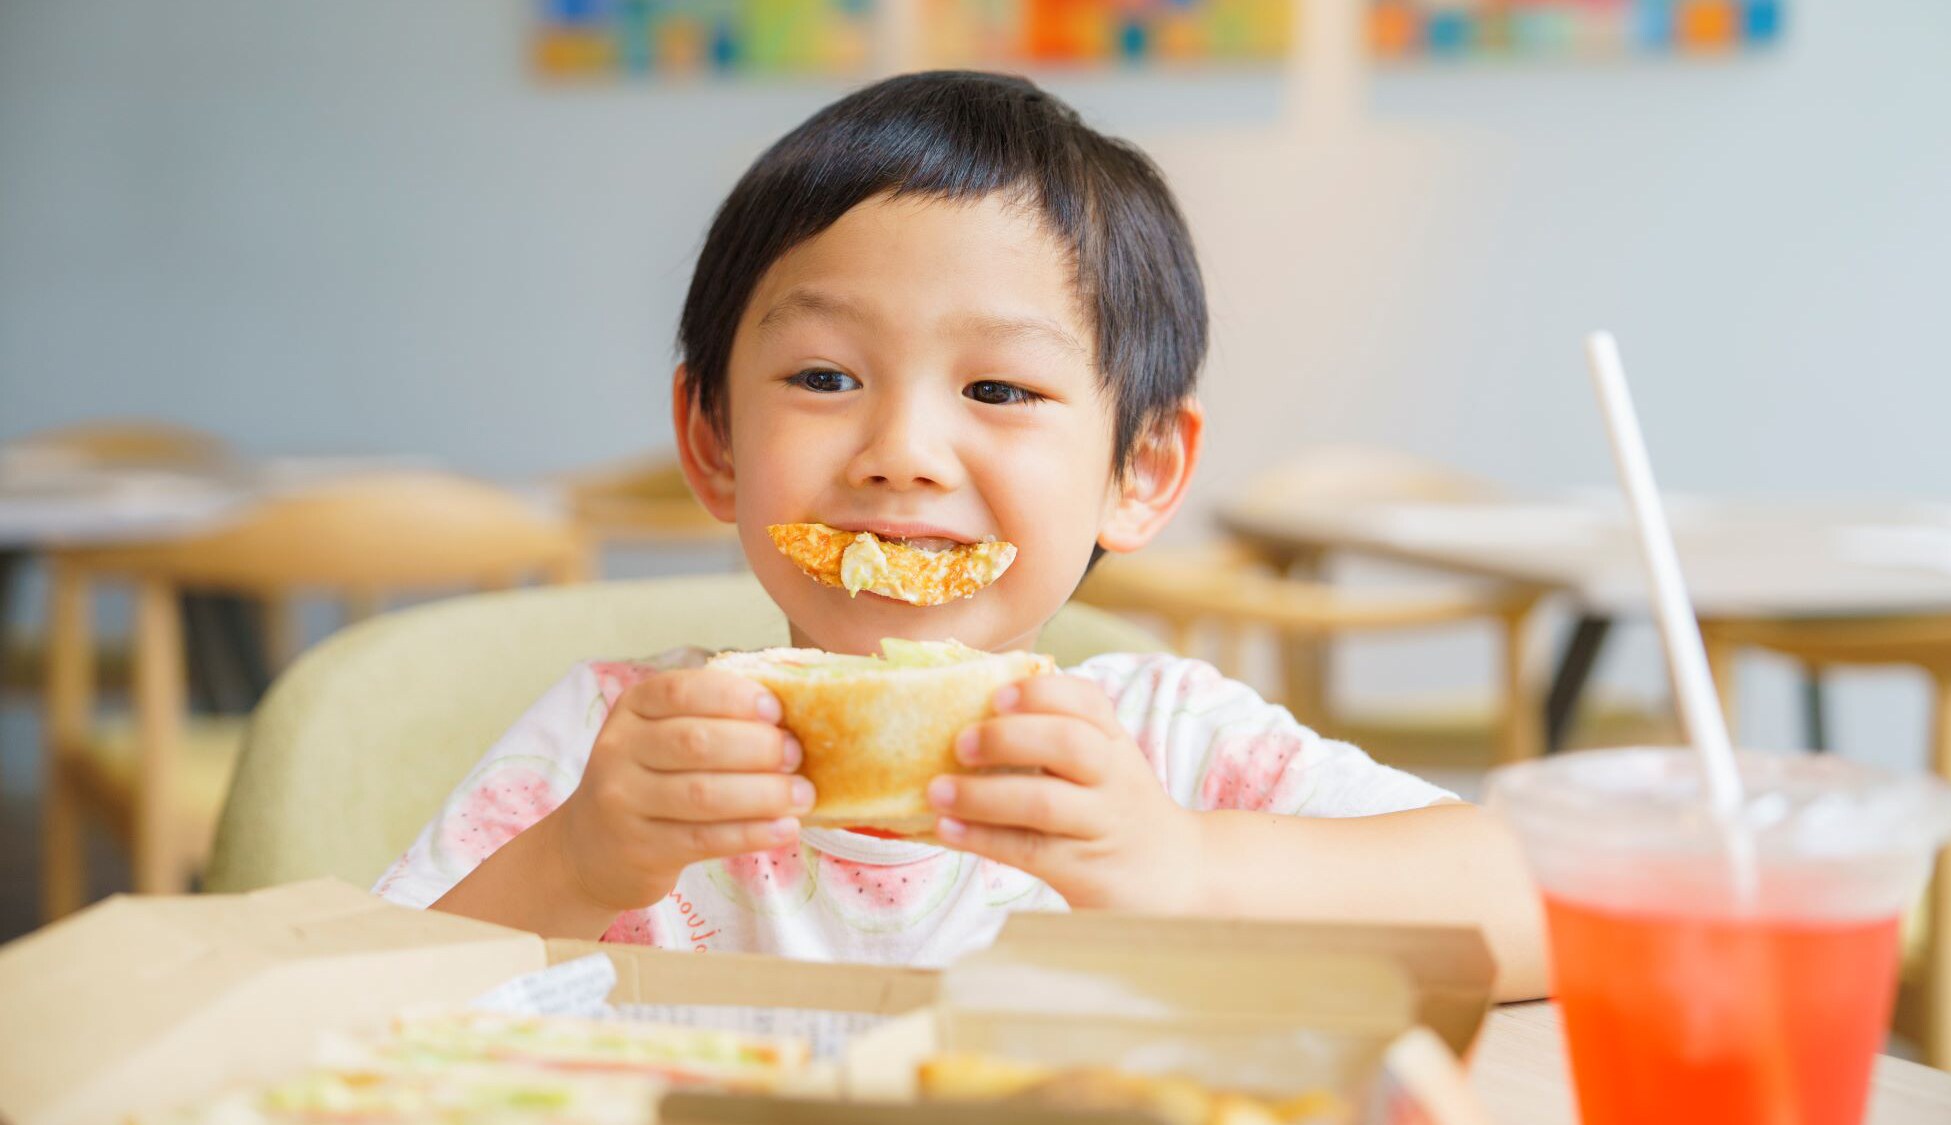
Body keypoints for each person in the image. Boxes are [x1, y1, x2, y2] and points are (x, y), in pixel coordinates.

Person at [376, 71, 1547, 1000]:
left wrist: (1186, 866)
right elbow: (348, 1004)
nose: (904, 451)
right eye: (826, 375)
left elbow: (1552, 908)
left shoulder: (1169, 752)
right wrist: (578, 862)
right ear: (713, 439)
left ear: (1137, 472)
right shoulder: (616, 748)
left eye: (997, 391)